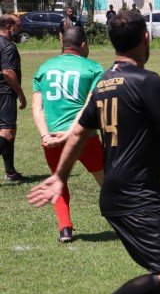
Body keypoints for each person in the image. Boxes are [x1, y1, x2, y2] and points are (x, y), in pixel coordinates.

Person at [28, 10, 160, 294]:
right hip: (138, 196)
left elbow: (78, 132)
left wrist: (60, 176)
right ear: (146, 37)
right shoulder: (146, 81)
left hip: (117, 195)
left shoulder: (104, 82)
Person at [31, 27, 105, 243]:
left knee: (58, 180)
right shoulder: (93, 68)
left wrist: (45, 135)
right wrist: (72, 132)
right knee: (105, 180)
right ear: (83, 45)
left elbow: (38, 108)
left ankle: (65, 228)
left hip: (51, 138)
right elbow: (89, 107)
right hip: (83, 137)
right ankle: (126, 221)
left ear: (62, 43)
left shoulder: (44, 67)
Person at [0, 14, 25, 181]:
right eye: (18, 26)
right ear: (9, 27)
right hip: (4, 93)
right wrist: (21, 94)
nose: (20, 29)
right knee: (7, 133)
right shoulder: (8, 46)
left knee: (7, 132)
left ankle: (10, 171)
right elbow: (8, 73)